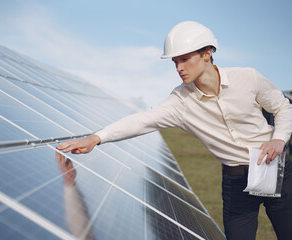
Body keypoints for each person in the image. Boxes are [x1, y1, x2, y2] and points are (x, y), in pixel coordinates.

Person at [57, 21, 292, 239]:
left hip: (278, 170)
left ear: (207, 53)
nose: (179, 68)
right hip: (236, 183)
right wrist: (97, 138)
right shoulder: (180, 102)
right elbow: (142, 120)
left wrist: (279, 139)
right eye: (174, 62)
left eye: (185, 59)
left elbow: (283, 107)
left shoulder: (248, 78)